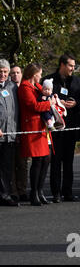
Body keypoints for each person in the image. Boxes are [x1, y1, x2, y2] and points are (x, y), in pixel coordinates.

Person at [43, 54, 80, 203]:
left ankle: (68, 192)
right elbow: (43, 98)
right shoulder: (49, 80)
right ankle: (56, 193)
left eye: (74, 66)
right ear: (62, 65)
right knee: (56, 162)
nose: (73, 68)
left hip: (71, 127)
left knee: (69, 162)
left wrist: (75, 103)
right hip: (55, 127)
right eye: (70, 65)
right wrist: (55, 102)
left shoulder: (77, 81)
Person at [18, 63, 57, 206]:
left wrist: (55, 99)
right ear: (34, 74)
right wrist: (49, 104)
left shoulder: (37, 87)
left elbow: (48, 94)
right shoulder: (25, 87)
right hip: (33, 128)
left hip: (42, 129)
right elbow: (34, 106)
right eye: (40, 73)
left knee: (46, 158)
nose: (41, 76)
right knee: (37, 160)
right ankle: (34, 192)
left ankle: (40, 191)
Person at [0, 59, 20, 207]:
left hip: (10, 134)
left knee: (7, 166)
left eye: (5, 72)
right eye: (0, 71)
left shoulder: (13, 87)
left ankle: (5, 194)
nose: (3, 74)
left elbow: (16, 110)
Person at [8, 65, 29, 202]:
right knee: (11, 163)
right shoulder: (8, 88)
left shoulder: (25, 88)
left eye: (18, 72)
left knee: (23, 163)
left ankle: (22, 190)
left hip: (24, 129)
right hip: (10, 130)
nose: (15, 75)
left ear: (22, 74)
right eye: (13, 73)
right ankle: (13, 191)